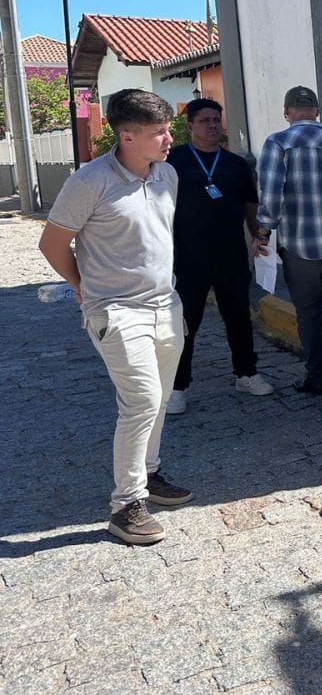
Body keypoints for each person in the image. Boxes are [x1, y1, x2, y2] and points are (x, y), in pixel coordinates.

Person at [38, 88, 193, 545]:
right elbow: (52, 243)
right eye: (159, 132)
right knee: (141, 400)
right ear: (127, 136)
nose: (169, 139)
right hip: (116, 310)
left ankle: (149, 473)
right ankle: (126, 506)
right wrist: (82, 287)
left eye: (168, 129)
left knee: (159, 399)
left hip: (166, 304)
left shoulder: (167, 174)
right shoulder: (89, 182)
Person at [255, 86, 322, 415]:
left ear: (287, 112)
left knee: (308, 314)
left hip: (300, 248)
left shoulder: (278, 143)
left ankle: (318, 378)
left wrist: (263, 232)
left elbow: (270, 198)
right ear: (316, 111)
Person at [164, 98, 273, 414]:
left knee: (238, 317)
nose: (212, 126)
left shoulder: (236, 165)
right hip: (187, 257)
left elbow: (250, 205)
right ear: (190, 126)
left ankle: (246, 374)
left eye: (216, 120)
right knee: (186, 322)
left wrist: (258, 237)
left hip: (230, 255)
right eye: (205, 121)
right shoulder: (173, 161)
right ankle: (177, 386)